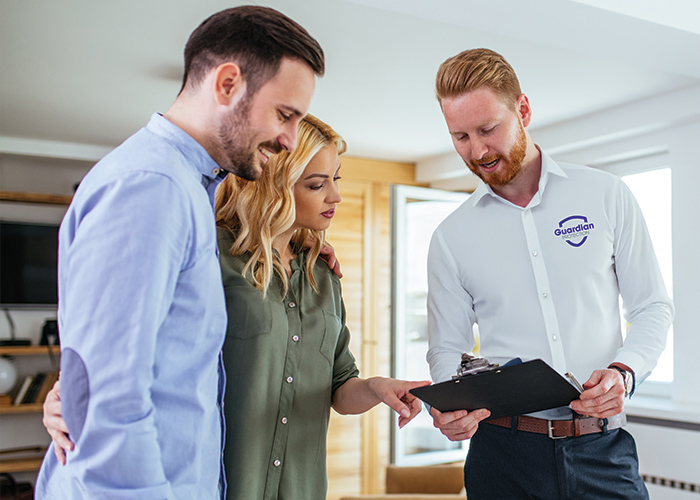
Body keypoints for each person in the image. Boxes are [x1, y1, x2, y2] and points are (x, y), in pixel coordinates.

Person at [42, 114, 429, 499]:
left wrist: (378, 388)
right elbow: (133, 341)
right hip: (213, 485)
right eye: (316, 184)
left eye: (336, 179)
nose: (335, 196)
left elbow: (339, 387)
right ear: (274, 187)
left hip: (301, 489)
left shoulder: (323, 276)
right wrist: (69, 394)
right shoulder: (208, 254)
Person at [35, 6, 324, 499]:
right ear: (228, 84)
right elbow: (107, 400)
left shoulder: (190, 188)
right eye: (285, 114)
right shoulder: (153, 188)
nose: (289, 139)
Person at [425, 48, 673, 499]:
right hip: (501, 456)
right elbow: (446, 347)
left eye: (487, 129)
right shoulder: (450, 236)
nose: (477, 150)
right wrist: (452, 404)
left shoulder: (606, 195)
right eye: (460, 136)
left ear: (523, 109)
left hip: (602, 448)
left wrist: (624, 372)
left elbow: (652, 306)